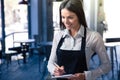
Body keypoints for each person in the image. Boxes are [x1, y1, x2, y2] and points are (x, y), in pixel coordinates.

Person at [47, 0, 111, 80]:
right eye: (63, 17)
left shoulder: (93, 37)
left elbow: (107, 65)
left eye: (70, 17)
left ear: (79, 16)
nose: (65, 22)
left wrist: (86, 75)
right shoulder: (58, 36)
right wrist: (55, 70)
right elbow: (50, 63)